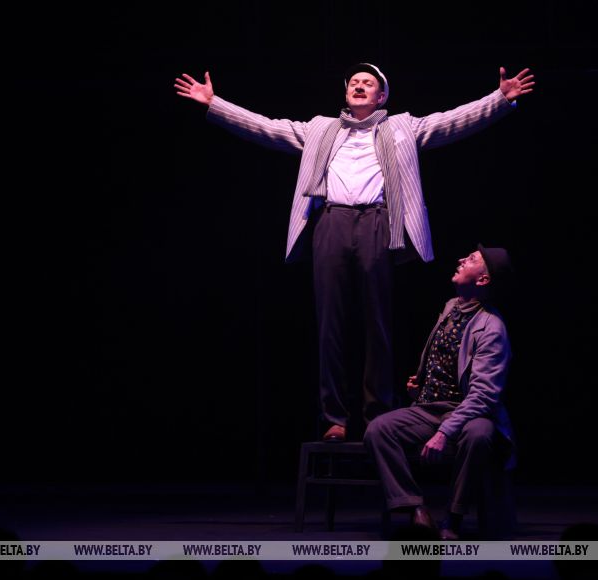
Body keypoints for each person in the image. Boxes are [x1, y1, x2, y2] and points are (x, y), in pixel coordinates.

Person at [174, 64, 534, 442]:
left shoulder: (402, 127)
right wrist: (215, 103)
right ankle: (335, 416)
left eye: (369, 83)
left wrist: (499, 99)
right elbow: (267, 127)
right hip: (332, 221)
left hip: (378, 222)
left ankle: (378, 414)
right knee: (330, 322)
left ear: (382, 96)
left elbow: (453, 121)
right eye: (355, 83)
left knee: (378, 322)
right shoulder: (320, 129)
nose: (359, 86)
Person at [364, 245, 515, 540]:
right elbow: (446, 360)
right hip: (430, 409)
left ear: (483, 279)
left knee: (479, 434)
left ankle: (454, 516)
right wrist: (423, 384)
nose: (461, 259)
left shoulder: (492, 328)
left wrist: (445, 431)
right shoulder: (450, 307)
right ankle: (415, 508)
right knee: (378, 430)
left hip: (468, 414)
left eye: (471, 259)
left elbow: (484, 396)